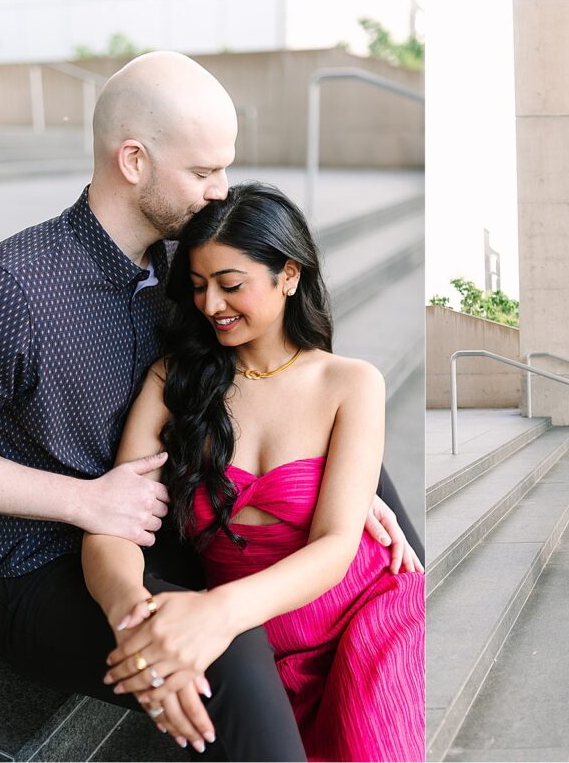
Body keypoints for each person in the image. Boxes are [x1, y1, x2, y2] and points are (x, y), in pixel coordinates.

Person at [0, 51, 418, 760]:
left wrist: (338, 480)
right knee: (226, 649)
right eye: (205, 171)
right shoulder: (10, 293)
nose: (222, 191)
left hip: (170, 513)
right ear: (133, 160)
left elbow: (278, 375)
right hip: (45, 566)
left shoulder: (186, 262)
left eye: (226, 169)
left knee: (388, 527)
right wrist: (88, 509)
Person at [85, 182, 425, 762]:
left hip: (365, 619)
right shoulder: (173, 381)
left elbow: (338, 543)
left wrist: (216, 613)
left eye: (231, 285)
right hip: (257, 651)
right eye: (198, 287)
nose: (211, 304)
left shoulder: (350, 382)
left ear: (288, 275)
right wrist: (135, 618)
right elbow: (111, 527)